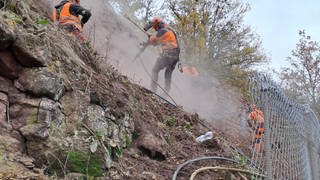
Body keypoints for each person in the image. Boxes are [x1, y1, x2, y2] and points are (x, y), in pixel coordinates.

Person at [143, 17, 180, 93]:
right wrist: (149, 41)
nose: (155, 29)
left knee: (155, 70)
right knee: (168, 74)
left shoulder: (163, 30)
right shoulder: (170, 31)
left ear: (158, 25)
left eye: (155, 27)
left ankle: (153, 90)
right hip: (175, 56)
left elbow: (153, 41)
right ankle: (166, 93)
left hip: (169, 54)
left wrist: (149, 39)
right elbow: (157, 42)